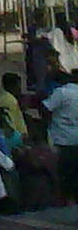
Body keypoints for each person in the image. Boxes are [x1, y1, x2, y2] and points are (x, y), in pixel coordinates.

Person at [41, 70, 78, 199]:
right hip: (75, 139)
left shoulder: (62, 92)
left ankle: (64, 200)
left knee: (61, 175)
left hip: (60, 139)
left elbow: (45, 108)